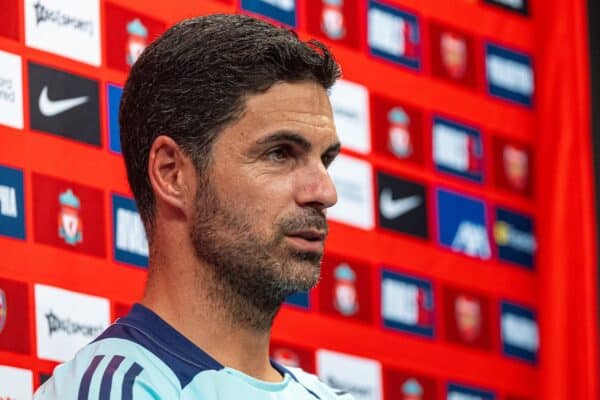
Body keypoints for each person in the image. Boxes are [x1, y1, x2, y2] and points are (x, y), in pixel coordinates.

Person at [35, 13, 351, 400]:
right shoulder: (117, 388)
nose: (325, 192)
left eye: (326, 160)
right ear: (172, 174)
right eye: (280, 153)